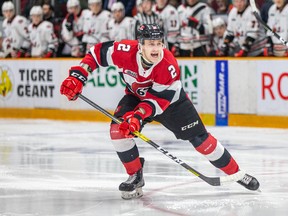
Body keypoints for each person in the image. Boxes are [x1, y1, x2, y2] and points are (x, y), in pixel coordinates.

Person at [60, 23, 260, 200]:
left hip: (171, 103)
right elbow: (96, 53)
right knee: (117, 131)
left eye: (159, 43)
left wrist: (137, 116)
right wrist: (80, 75)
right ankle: (136, 175)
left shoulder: (168, 65)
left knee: (201, 140)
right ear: (140, 45)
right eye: (150, 43)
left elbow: (158, 100)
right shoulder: (124, 51)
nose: (156, 48)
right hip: (136, 97)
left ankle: (238, 174)